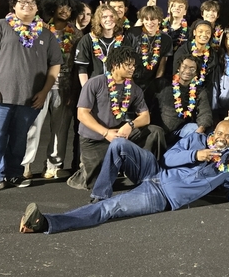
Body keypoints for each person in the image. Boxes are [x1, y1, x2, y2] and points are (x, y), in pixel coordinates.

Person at [19, 120, 229, 234]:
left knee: (111, 209)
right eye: (219, 132)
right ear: (214, 133)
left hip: (162, 196)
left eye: (227, 136)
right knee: (120, 144)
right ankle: (99, 195)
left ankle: (45, 223)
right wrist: (195, 154)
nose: (222, 137)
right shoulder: (197, 141)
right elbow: (169, 158)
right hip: (155, 171)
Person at [0, 0, 63, 194]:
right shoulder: (0, 26)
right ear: (13, 7)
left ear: (37, 8)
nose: (27, 5)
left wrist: (45, 91)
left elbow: (55, 64)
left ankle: (14, 172)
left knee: (19, 138)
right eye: (21, 2)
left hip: (29, 98)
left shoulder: (46, 33)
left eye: (31, 2)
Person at [67, 46, 165, 191]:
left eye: (133, 65)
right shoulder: (95, 83)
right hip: (94, 139)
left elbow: (145, 117)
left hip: (118, 134)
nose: (132, 68)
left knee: (155, 131)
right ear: (115, 64)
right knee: (95, 184)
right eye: (128, 65)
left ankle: (149, 173)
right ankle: (83, 172)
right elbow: (82, 114)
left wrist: (130, 125)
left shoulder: (133, 88)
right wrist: (106, 133)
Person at [29, 0, 82, 180]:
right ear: (52, 8)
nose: (65, 10)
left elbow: (78, 65)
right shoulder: (40, 29)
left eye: (68, 8)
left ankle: (53, 165)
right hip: (41, 84)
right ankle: (25, 164)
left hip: (65, 85)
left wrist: (74, 90)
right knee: (32, 126)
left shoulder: (76, 34)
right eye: (61, 6)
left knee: (60, 129)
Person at [157, 56, 214, 142]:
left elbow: (205, 113)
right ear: (178, 68)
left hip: (180, 131)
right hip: (158, 129)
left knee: (196, 131)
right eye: (184, 67)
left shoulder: (199, 91)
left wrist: (200, 129)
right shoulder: (162, 84)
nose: (187, 71)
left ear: (196, 73)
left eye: (192, 69)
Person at [128, 5, 171, 116]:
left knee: (146, 112)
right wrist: (129, 80)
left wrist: (156, 85)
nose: (149, 22)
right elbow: (126, 57)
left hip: (150, 82)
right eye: (146, 19)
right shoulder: (133, 33)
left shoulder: (166, 39)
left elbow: (163, 63)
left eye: (153, 19)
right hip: (130, 79)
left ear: (159, 20)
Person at [75, 3, 130, 85]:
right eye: (104, 17)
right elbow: (82, 68)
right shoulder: (88, 39)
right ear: (98, 20)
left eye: (112, 16)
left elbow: (128, 66)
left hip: (118, 87)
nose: (109, 19)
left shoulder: (123, 40)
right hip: (95, 87)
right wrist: (86, 90)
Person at [172, 19, 218, 88]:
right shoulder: (183, 51)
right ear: (194, 32)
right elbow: (176, 74)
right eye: (200, 31)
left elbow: (211, 80)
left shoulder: (212, 55)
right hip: (181, 89)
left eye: (208, 32)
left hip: (203, 91)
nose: (204, 35)